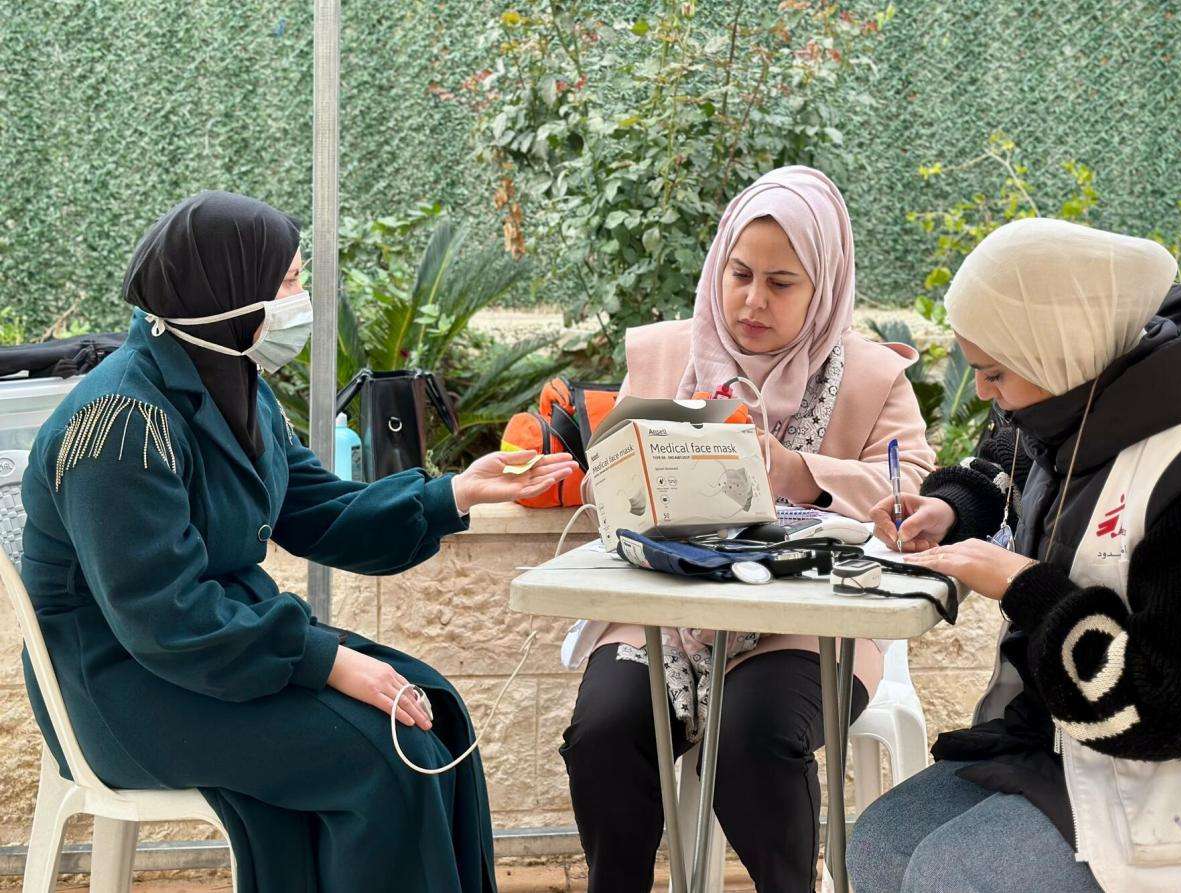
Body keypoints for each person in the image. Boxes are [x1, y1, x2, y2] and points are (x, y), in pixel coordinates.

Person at [18, 192, 578, 893]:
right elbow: (164, 617)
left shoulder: (236, 385)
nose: (301, 297)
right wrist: (329, 662)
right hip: (123, 683)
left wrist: (457, 491)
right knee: (387, 755)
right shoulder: (121, 422)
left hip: (218, 652)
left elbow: (318, 510)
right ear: (226, 293)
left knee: (434, 713)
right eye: (286, 281)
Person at [847, 217, 1181, 893]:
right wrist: (952, 507)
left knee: (952, 875)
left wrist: (1026, 586)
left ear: (1054, 350)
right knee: (878, 846)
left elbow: (1170, 708)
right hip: (1075, 748)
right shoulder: (1073, 393)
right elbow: (1010, 466)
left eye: (994, 372)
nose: (985, 393)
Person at [559, 166, 935, 892]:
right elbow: (613, 484)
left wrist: (797, 470)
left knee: (751, 740)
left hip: (809, 627)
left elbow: (913, 493)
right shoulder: (667, 356)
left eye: (782, 282)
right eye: (739, 273)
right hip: (667, 617)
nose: (752, 300)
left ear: (822, 286)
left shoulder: (870, 377)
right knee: (604, 734)